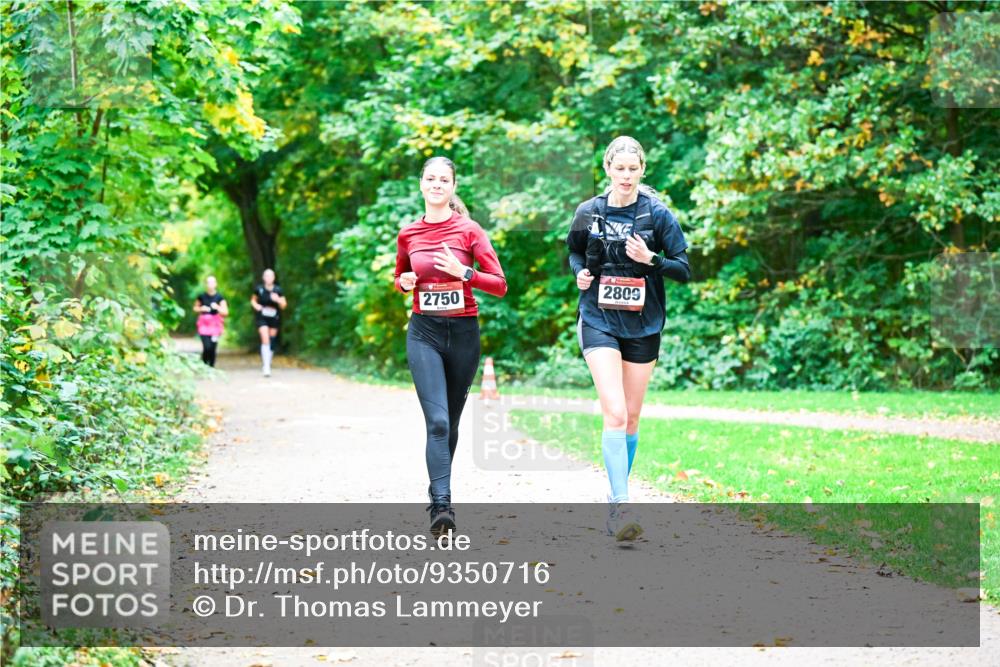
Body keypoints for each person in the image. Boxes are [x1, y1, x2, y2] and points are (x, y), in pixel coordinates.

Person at [566, 136, 691, 542]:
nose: (625, 175)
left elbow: (683, 269)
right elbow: (573, 252)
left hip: (644, 323)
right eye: (618, 168)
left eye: (632, 169)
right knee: (615, 413)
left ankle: (615, 495)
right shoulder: (590, 211)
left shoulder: (657, 214)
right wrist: (580, 274)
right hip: (598, 318)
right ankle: (621, 505)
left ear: (642, 170)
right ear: (607, 169)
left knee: (632, 417)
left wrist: (650, 260)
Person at [394, 156, 507, 537]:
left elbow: (500, 284)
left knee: (451, 423)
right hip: (423, 333)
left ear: (453, 186)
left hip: (462, 335)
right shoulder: (408, 233)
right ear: (422, 184)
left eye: (444, 179)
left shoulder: (470, 230)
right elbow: (400, 277)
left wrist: (465, 273)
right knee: (438, 422)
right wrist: (405, 282)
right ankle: (442, 505)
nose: (437, 184)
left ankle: (437, 487)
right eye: (431, 178)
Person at [250, 268, 287, 377]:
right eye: (266, 276)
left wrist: (278, 300)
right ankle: (266, 366)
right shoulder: (259, 289)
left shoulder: (278, 290)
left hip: (274, 317)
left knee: (271, 341)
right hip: (262, 317)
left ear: (274, 278)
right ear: (263, 277)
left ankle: (268, 362)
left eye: (270, 276)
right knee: (265, 338)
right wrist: (257, 306)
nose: (268, 278)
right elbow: (253, 300)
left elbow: (284, 305)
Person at [194, 275, 228, 367]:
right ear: (206, 284)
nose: (210, 284)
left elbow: (225, 312)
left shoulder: (219, 297)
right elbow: (195, 308)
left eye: (212, 282)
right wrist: (201, 308)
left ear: (216, 284)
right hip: (204, 324)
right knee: (206, 346)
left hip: (215, 325)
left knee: (213, 346)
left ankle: (211, 365)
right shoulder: (201, 296)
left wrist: (217, 307)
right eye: (209, 282)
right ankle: (205, 364)